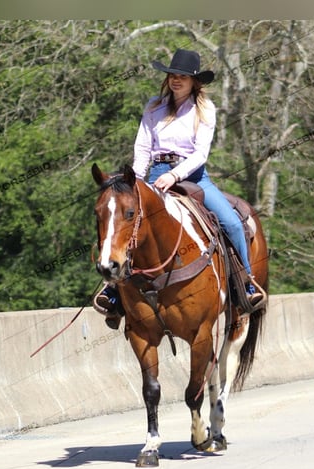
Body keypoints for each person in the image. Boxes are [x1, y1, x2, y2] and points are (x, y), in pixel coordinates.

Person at [94, 48, 267, 327]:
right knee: (125, 222)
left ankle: (246, 285)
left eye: (183, 77)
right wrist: (136, 181)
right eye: (173, 75)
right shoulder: (154, 106)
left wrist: (174, 176)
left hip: (194, 177)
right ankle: (114, 290)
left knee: (233, 224)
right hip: (154, 175)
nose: (176, 81)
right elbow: (143, 147)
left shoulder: (204, 109)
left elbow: (200, 154)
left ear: (194, 82)